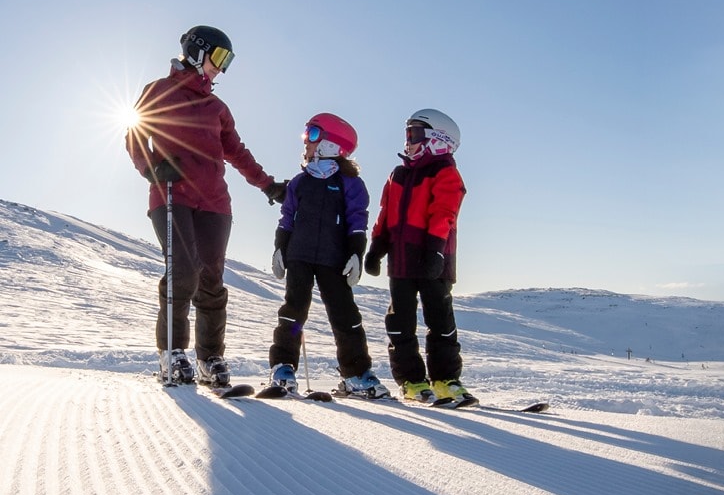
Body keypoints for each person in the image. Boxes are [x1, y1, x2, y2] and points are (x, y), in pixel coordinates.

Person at [125, 26, 284, 387]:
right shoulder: (159, 91)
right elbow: (134, 132)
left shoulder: (217, 107)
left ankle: (209, 357)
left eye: (227, 62)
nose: (221, 69)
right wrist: (150, 167)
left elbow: (237, 152)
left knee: (211, 280)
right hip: (171, 195)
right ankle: (172, 353)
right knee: (183, 272)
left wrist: (268, 185)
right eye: (219, 59)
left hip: (215, 203)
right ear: (197, 52)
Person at [267, 113, 390, 399]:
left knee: (345, 314)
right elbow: (287, 218)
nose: (305, 142)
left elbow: (357, 221)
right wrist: (280, 248)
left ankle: (356, 374)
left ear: (331, 145)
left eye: (311, 135)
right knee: (294, 311)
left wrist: (356, 254)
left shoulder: (350, 183)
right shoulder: (300, 182)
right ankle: (283, 367)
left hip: (333, 259)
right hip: (299, 255)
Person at [366, 108, 469, 404]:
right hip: (401, 261)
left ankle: (445, 379)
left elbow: (444, 214)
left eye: (415, 134)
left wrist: (435, 250)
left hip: (434, 259)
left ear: (438, 139)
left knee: (440, 320)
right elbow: (386, 214)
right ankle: (411, 381)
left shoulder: (445, 172)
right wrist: (376, 248)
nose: (408, 141)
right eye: (407, 134)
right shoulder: (398, 174)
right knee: (400, 321)